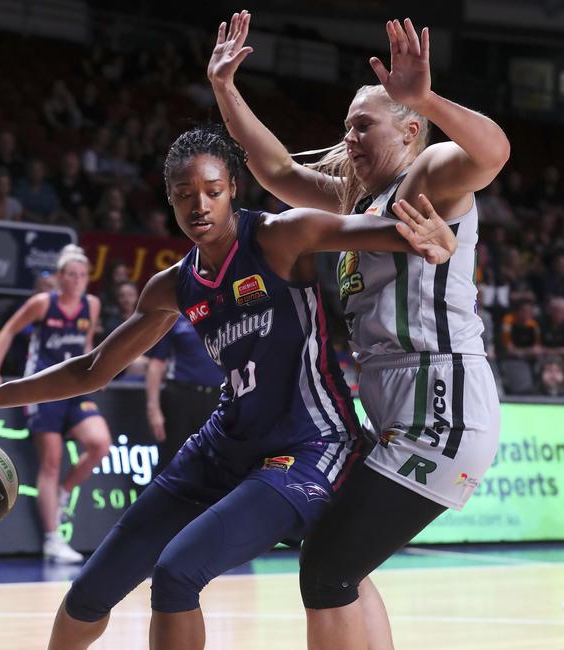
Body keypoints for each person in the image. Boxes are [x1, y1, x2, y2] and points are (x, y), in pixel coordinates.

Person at [0, 125, 456, 650]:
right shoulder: (175, 284)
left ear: (232, 191)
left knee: (177, 575)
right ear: (169, 202)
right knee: (89, 593)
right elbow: (92, 370)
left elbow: (376, 230)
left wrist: (424, 234)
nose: (199, 205)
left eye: (212, 192)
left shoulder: (277, 236)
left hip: (309, 446)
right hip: (224, 445)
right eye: (183, 196)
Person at [208, 12, 510, 649]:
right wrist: (225, 90)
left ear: (408, 131)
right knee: (333, 558)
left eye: (362, 125)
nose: (348, 139)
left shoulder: (427, 176)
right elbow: (278, 174)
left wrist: (425, 96)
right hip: (399, 404)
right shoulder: (354, 204)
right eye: (345, 127)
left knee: (325, 567)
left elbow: (493, 152)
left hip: (440, 401)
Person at [0, 243, 112, 563]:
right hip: (42, 389)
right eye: (71, 274)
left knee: (100, 443)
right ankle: (52, 539)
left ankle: (64, 492)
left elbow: (88, 343)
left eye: (82, 275)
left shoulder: (91, 305)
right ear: (60, 277)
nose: (77, 280)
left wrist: (98, 373)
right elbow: (8, 330)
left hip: (76, 387)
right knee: (50, 461)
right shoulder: (42, 303)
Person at [145, 314, 225, 471]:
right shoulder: (175, 318)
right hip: (181, 396)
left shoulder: (227, 315)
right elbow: (156, 364)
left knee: (216, 462)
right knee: (172, 459)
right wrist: (153, 409)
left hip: (218, 398)